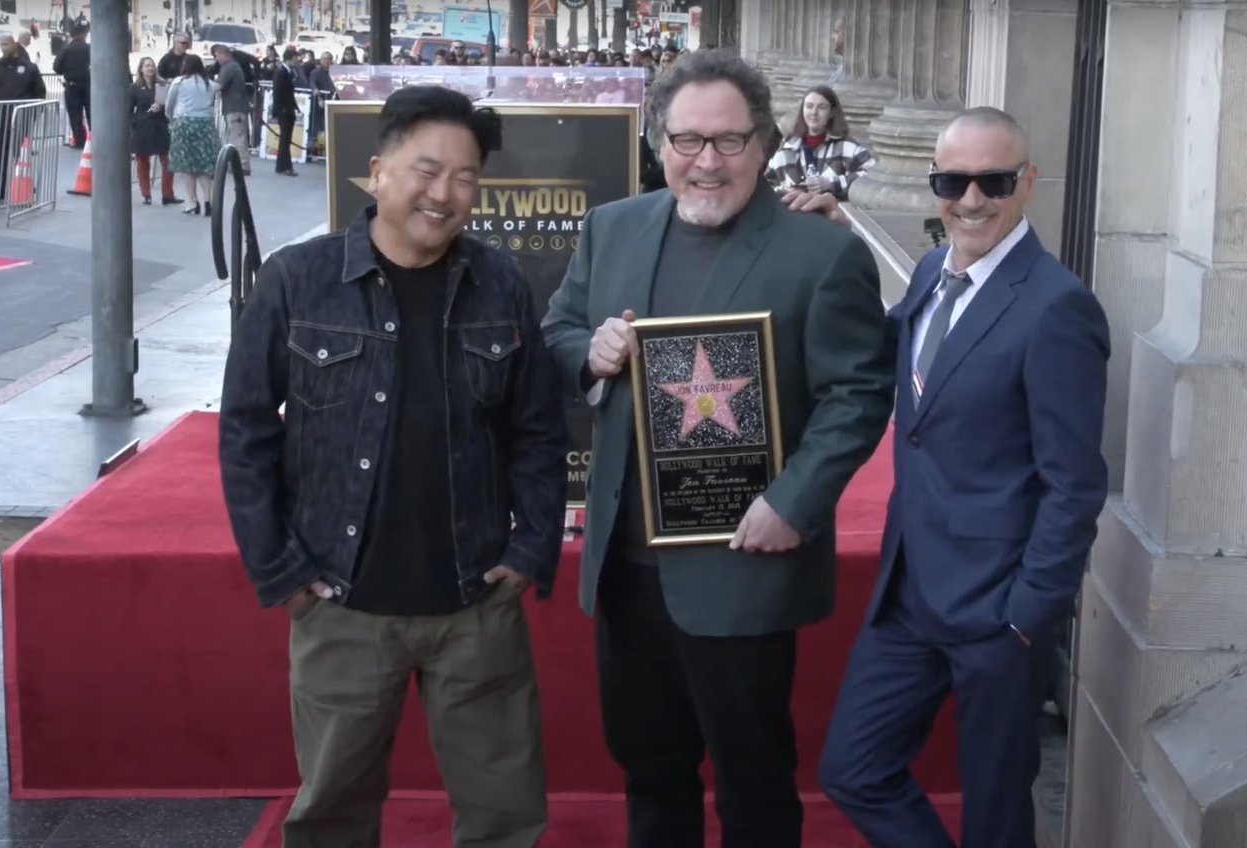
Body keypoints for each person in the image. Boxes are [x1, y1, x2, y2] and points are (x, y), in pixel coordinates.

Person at [541, 49, 895, 848]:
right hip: (629, 568)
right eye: (688, 140)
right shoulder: (612, 228)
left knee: (755, 782)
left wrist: (792, 504)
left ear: (765, 144)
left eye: (730, 142)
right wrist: (589, 352)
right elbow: (558, 330)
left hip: (746, 562)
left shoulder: (823, 254)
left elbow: (858, 394)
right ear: (657, 144)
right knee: (651, 771)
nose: (707, 162)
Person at [218, 85, 567, 848]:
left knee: (506, 816)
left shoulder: (500, 282)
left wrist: (529, 546)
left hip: (478, 603)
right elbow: (245, 431)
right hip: (341, 602)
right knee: (332, 816)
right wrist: (280, 568)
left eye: (466, 177)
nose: (444, 194)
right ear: (377, 171)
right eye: (425, 169)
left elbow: (537, 430)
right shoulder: (296, 281)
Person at [817, 107, 1110, 848]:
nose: (971, 200)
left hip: (998, 610)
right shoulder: (927, 271)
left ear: (1028, 183)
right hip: (910, 591)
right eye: (953, 181)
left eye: (993, 181)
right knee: (853, 769)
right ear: (933, 184)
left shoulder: (1057, 308)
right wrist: (840, 245)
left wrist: (1027, 614)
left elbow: (1074, 482)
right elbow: (910, 370)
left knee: (997, 815)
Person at [765, 86, 874, 200]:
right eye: (809, 106)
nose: (814, 112)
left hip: (832, 215)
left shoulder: (847, 147)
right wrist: (784, 192)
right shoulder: (787, 148)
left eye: (821, 107)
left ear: (831, 112)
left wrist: (831, 184)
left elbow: (871, 176)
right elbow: (767, 184)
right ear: (802, 110)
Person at [0, 34, 45, 203]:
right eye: (1, 45)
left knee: (20, 156)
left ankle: (24, 184)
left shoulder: (29, 67)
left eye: (6, 44)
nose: (3, 47)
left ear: (14, 44)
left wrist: (31, 115)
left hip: (20, 119)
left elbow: (40, 93)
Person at [163, 53, 219, 216]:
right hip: (206, 123)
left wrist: (171, 117)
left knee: (187, 166)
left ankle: (192, 202)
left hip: (185, 122)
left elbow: (169, 104)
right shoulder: (210, 84)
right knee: (204, 165)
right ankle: (208, 200)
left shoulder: (179, 82)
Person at [130, 57, 181, 206]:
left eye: (152, 66)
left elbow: (169, 105)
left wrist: (161, 108)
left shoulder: (161, 85)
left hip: (160, 126)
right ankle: (146, 193)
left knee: (167, 161)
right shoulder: (134, 87)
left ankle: (167, 194)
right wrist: (135, 122)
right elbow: (128, 109)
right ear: (141, 69)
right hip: (142, 127)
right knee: (142, 161)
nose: (150, 69)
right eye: (147, 66)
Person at [211, 44, 252, 175]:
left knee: (238, 137)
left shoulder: (229, 67)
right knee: (235, 136)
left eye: (217, 56)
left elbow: (218, 86)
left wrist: (205, 85)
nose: (217, 59)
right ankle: (237, 164)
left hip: (235, 108)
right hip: (235, 107)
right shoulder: (232, 66)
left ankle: (242, 165)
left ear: (224, 54)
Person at [52, 24, 90, 147]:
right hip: (89, 85)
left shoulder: (66, 49)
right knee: (92, 114)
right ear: (84, 34)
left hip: (72, 85)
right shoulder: (90, 48)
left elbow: (56, 67)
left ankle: (80, 141)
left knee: (75, 115)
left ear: (71, 35)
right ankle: (94, 139)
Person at [270, 47, 301, 176]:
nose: (296, 60)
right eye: (295, 58)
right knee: (284, 138)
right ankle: (286, 166)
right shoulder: (281, 72)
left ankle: (281, 165)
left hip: (289, 108)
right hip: (284, 109)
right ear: (289, 58)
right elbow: (277, 92)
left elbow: (290, 93)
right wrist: (278, 110)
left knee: (286, 139)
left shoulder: (290, 72)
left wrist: (296, 107)